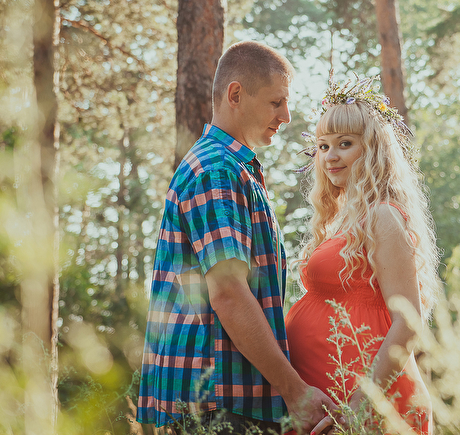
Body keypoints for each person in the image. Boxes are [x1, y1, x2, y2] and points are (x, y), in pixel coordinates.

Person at [137, 41, 335, 435]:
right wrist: (295, 391)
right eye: (276, 102)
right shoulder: (217, 171)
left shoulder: (230, 168)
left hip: (225, 400)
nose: (286, 116)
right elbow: (228, 293)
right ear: (236, 95)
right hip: (218, 402)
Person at [286, 76, 442, 434]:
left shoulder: (382, 216)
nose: (331, 156)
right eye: (323, 146)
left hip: (363, 400)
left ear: (372, 149)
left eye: (345, 144)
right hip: (328, 392)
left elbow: (408, 320)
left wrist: (363, 401)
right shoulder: (342, 219)